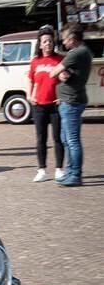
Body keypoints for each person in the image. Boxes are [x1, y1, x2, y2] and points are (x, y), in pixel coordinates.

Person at [50, 21, 92, 187]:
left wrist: (59, 72)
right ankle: (70, 171)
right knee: (66, 139)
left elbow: (53, 72)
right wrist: (63, 74)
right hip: (70, 101)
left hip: (71, 102)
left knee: (72, 140)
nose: (63, 41)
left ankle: (75, 174)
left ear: (72, 38)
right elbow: (66, 73)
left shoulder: (76, 53)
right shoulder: (83, 51)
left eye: (65, 39)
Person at [28, 26, 65, 182]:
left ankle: (59, 169)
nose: (48, 43)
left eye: (50, 41)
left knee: (58, 138)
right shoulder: (35, 61)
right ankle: (42, 170)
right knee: (41, 138)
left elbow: (66, 79)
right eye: (44, 41)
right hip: (39, 105)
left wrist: (62, 96)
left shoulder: (60, 59)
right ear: (40, 44)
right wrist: (29, 95)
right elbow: (30, 80)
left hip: (55, 105)